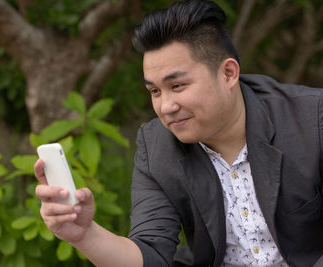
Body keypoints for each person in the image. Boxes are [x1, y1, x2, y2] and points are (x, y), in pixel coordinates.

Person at [34, 0, 323, 266]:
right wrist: (84, 234)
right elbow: (151, 253)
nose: (166, 107)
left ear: (228, 74)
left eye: (178, 86)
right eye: (155, 91)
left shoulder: (312, 119)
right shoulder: (156, 145)